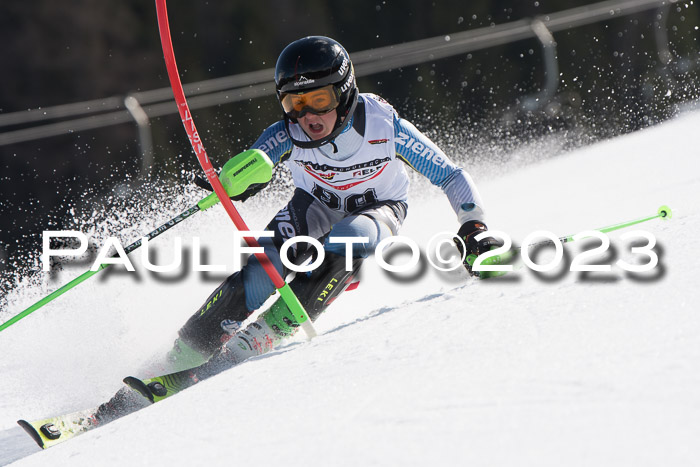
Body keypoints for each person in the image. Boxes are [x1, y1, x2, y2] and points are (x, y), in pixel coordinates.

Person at [94, 36, 499, 421]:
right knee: (258, 273)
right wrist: (231, 180)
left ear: (344, 91)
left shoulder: (382, 124)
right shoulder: (287, 132)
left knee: (348, 242)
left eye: (319, 100)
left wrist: (473, 226)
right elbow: (255, 160)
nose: (308, 117)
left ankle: (256, 339)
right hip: (314, 206)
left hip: (380, 208)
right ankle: (177, 360)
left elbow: (449, 174)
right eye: (294, 102)